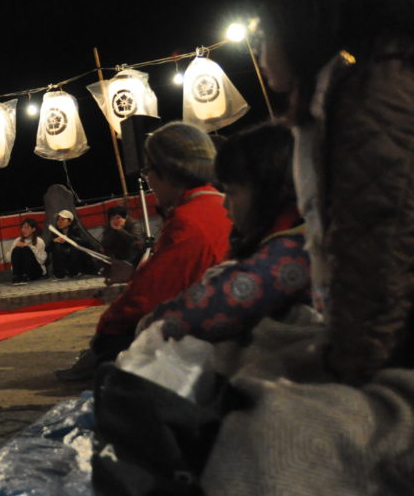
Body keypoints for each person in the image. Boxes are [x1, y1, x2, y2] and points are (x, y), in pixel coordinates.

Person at [197, 0, 414, 496]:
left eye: (268, 29)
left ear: (314, 20)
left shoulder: (373, 98)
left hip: (395, 349)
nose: (260, 51)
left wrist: (341, 377)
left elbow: (379, 267)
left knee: (263, 430)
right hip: (386, 337)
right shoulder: (345, 98)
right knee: (251, 365)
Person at [56, 122, 232, 381]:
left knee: (115, 341)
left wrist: (105, 330)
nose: (148, 179)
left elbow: (148, 297)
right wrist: (132, 273)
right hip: (217, 318)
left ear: (169, 172)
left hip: (205, 336)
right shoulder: (218, 204)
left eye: (150, 170)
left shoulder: (189, 220)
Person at [135, 123, 310, 342]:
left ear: (269, 191)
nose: (225, 205)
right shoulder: (284, 240)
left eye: (232, 192)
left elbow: (215, 305)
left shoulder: (296, 251)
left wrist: (151, 324)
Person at [47, 210, 97, 278]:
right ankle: (61, 274)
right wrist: (54, 241)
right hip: (65, 263)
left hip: (78, 262)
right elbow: (47, 249)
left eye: (63, 219)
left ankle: (77, 271)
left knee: (75, 247)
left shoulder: (77, 231)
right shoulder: (55, 233)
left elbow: (87, 245)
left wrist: (68, 239)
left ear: (70, 222)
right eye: (58, 219)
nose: (59, 222)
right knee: (57, 247)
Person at [8, 219, 47, 283]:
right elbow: (9, 259)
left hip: (34, 271)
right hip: (20, 272)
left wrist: (30, 247)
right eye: (22, 228)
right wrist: (14, 247)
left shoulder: (39, 241)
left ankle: (26, 275)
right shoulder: (17, 240)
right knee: (17, 249)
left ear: (33, 229)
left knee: (26, 249)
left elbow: (42, 261)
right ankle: (16, 276)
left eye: (26, 228)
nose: (23, 230)